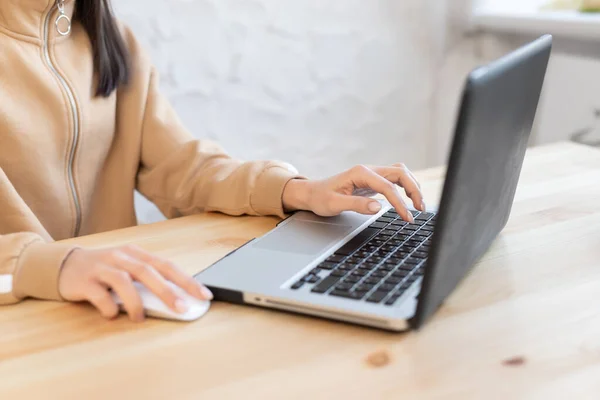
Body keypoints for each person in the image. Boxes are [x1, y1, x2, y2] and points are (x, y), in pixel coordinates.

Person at [0, 0, 425, 322]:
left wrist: (297, 190)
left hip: (113, 306)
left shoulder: (112, 40)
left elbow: (181, 166)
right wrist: (46, 266)